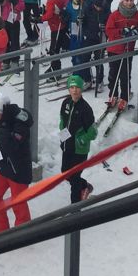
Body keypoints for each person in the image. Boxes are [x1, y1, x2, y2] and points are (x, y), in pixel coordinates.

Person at [0, 90, 33, 236]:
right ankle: (0, 228)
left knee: (18, 202)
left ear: (2, 112)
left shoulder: (18, 123)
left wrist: (3, 126)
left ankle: (23, 233)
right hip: (4, 167)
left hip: (18, 170)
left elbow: (11, 146)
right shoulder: (1, 121)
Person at [104, 0, 138, 108]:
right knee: (113, 74)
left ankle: (125, 96)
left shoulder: (137, 14)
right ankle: (113, 94)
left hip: (127, 51)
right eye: (127, 0)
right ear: (122, 1)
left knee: (125, 74)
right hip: (114, 49)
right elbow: (108, 31)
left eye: (131, 0)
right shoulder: (115, 15)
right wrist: (121, 31)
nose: (129, 3)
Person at [58, 74, 97, 202]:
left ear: (81, 89)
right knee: (65, 173)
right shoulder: (66, 103)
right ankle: (85, 186)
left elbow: (93, 132)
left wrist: (81, 140)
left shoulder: (85, 109)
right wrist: (62, 136)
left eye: (77, 87)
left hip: (79, 150)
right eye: (72, 87)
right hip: (67, 146)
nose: (74, 90)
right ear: (69, 89)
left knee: (74, 179)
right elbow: (63, 121)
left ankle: (75, 210)